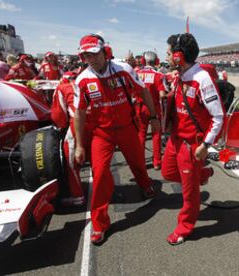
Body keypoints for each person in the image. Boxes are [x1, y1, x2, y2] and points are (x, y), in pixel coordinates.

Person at [73, 34, 160, 244]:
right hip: (102, 133)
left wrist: (154, 116)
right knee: (100, 174)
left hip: (127, 128)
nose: (91, 59)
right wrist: (79, 145)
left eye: (94, 53)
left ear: (105, 52)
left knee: (138, 161)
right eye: (86, 55)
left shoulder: (124, 69)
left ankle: (145, 184)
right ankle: (99, 224)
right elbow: (79, 113)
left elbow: (144, 92)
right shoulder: (82, 79)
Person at [161, 33, 224, 245]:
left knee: (190, 193)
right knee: (167, 172)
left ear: (179, 56)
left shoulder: (202, 79)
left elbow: (218, 116)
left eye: (169, 53)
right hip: (176, 139)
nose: (167, 57)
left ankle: (185, 227)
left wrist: (206, 145)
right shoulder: (181, 75)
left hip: (191, 145)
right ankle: (202, 173)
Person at [51, 71, 87, 206]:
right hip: (96, 123)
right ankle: (103, 188)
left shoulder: (61, 88)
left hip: (76, 124)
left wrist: (62, 126)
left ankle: (78, 196)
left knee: (70, 159)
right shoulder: (86, 82)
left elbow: (58, 116)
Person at [135, 51, 166, 170]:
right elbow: (162, 95)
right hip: (154, 108)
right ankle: (157, 162)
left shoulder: (137, 73)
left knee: (141, 134)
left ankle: (141, 162)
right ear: (156, 61)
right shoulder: (159, 75)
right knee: (156, 135)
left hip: (140, 107)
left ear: (143, 61)